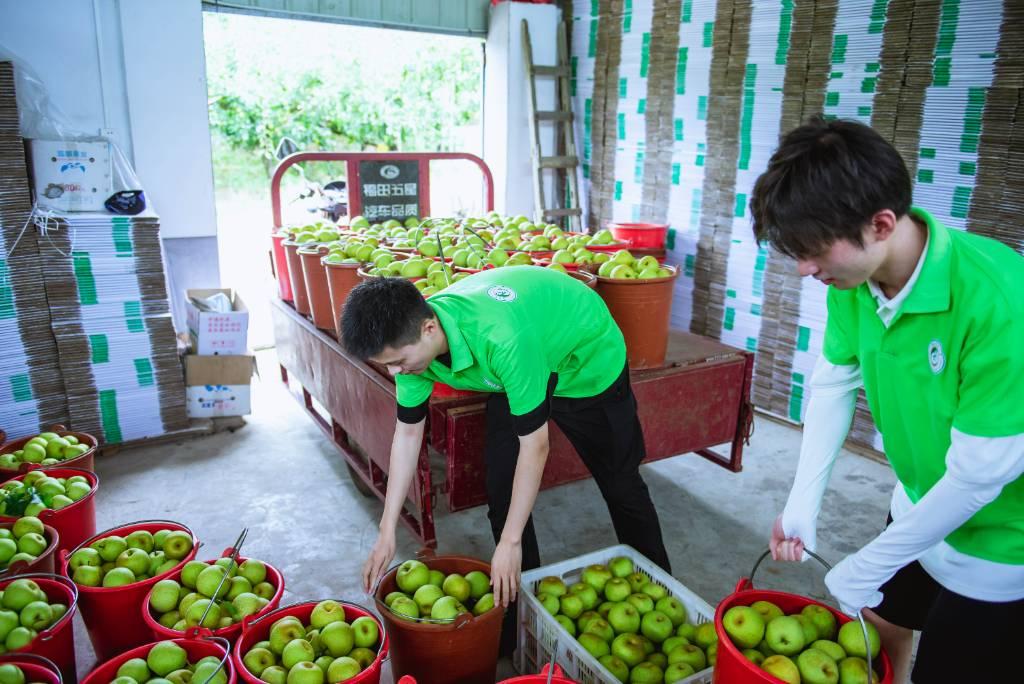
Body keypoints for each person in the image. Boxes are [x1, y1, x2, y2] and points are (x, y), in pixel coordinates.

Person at [751, 115, 1024, 683]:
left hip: (1002, 541)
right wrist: (805, 498)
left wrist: (873, 559)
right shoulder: (854, 282)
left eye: (812, 251)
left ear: (880, 224)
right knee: (878, 634)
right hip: (920, 504)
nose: (804, 269)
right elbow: (832, 384)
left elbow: (978, 478)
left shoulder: (997, 302)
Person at [341, 265, 671, 648]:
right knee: (501, 495)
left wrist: (510, 542)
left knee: (620, 483)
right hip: (518, 367)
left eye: (398, 361)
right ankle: (520, 618)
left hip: (585, 362)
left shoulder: (501, 337)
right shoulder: (413, 348)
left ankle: (660, 586)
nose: (397, 371)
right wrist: (386, 531)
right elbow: (408, 433)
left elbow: (537, 445)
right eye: (388, 365)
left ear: (429, 328)